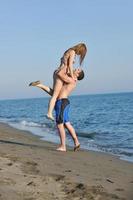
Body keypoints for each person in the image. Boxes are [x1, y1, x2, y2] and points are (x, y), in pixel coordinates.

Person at [29, 67, 84, 152]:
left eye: (77, 70)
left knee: (60, 125)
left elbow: (59, 74)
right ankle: (76, 142)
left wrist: (65, 66)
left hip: (61, 102)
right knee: (67, 124)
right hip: (64, 102)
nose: (75, 69)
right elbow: (54, 92)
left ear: (78, 74)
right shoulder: (71, 80)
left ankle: (63, 146)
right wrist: (40, 86)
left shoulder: (72, 80)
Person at [42, 43, 87, 120]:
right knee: (55, 95)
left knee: (55, 93)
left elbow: (65, 62)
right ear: (80, 49)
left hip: (58, 71)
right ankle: (49, 113)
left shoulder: (68, 51)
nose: (80, 54)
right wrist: (72, 77)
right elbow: (70, 65)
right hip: (60, 73)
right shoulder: (72, 52)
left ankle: (40, 85)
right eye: (81, 52)